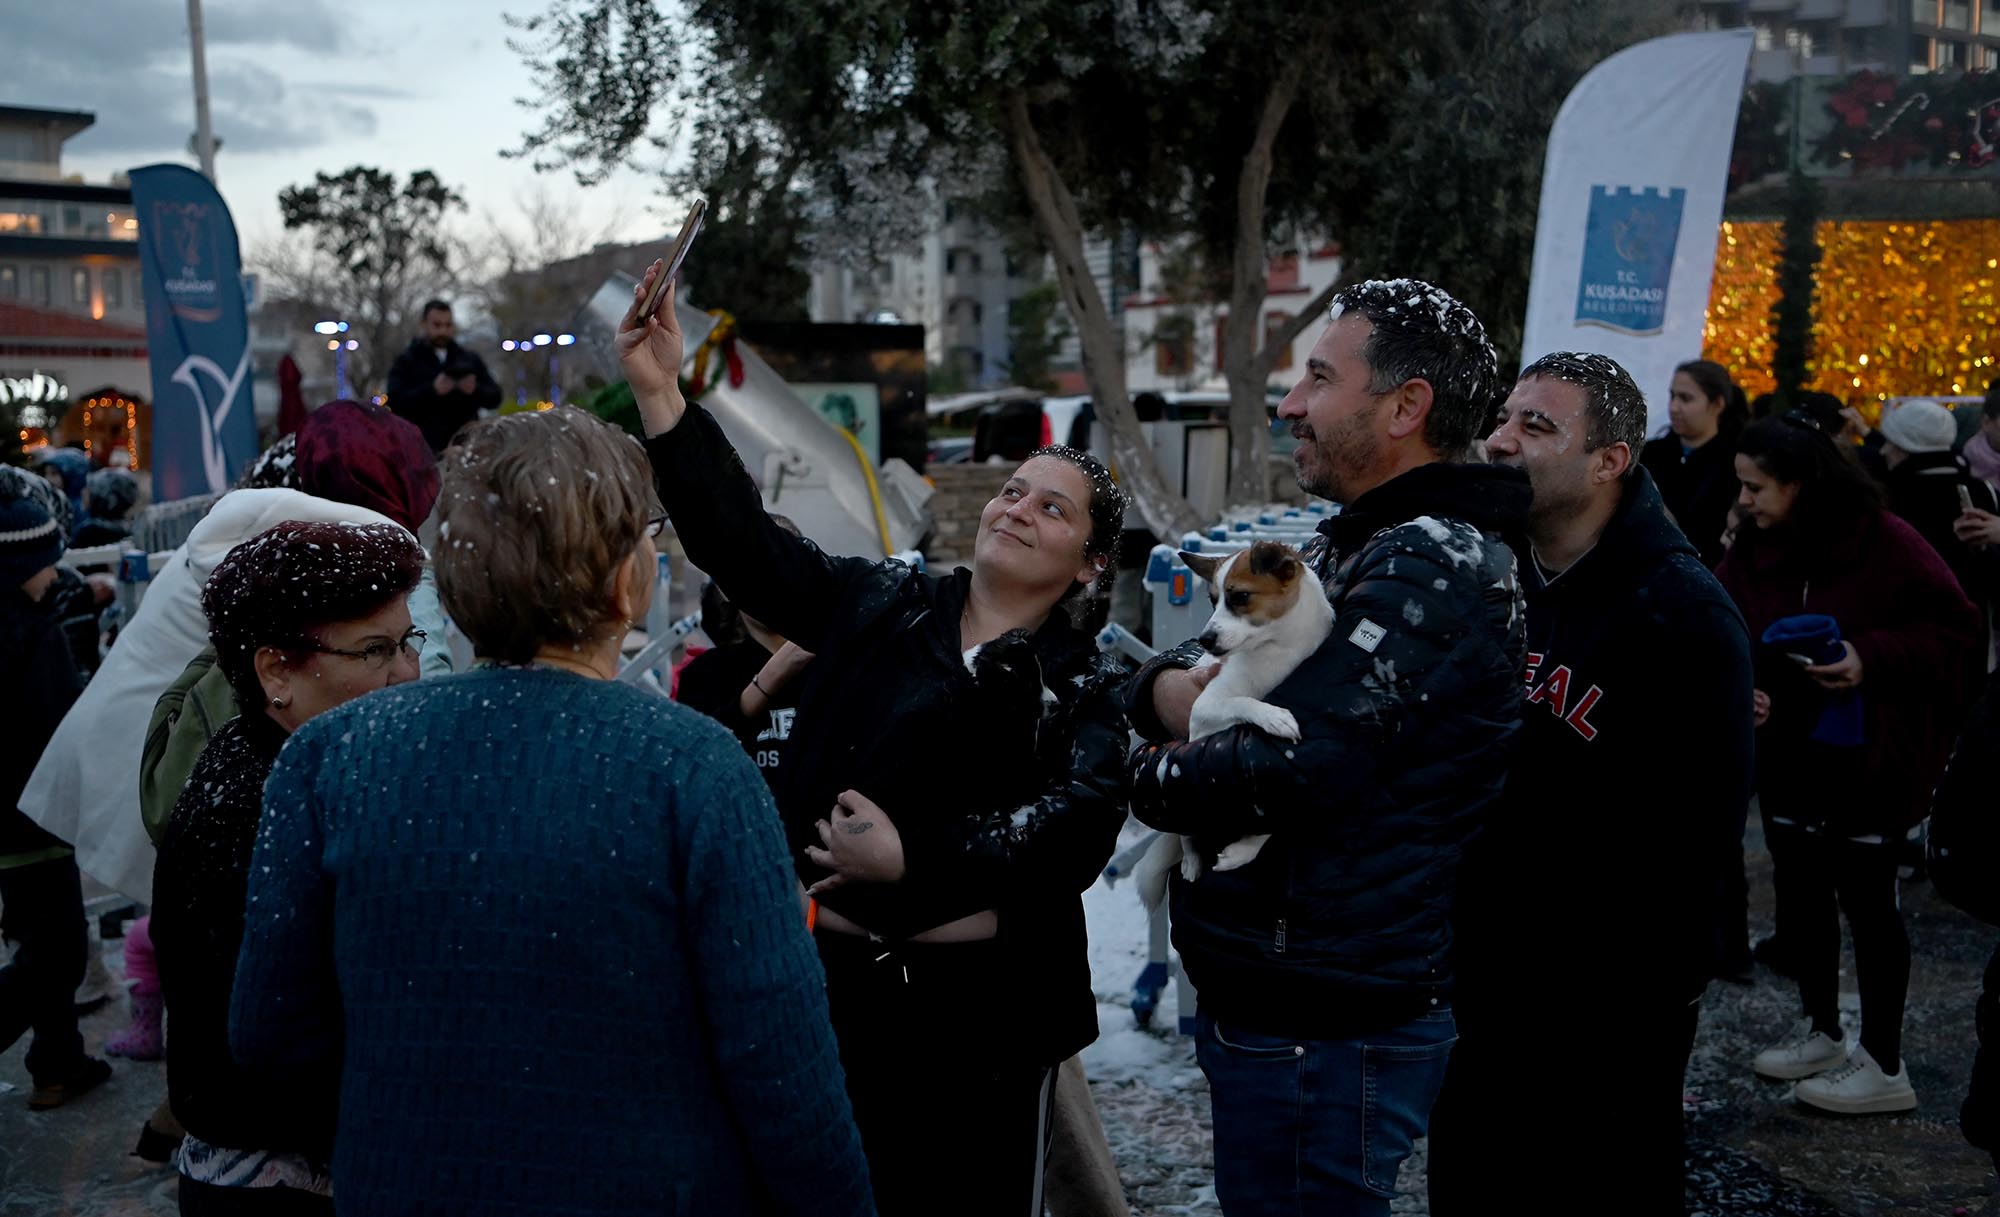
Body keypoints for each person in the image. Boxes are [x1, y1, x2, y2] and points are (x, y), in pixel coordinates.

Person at [229, 407, 873, 1217]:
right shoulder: (697, 771)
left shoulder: (328, 757)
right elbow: (786, 1076)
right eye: (644, 533)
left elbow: (271, 1038)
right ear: (624, 581)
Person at [623, 264, 1132, 1216]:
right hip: (831, 1001)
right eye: (1015, 491)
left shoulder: (1091, 682)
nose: (1017, 508)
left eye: (1051, 507)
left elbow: (1076, 831)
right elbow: (747, 548)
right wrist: (663, 394)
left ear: (1091, 564)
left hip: (986, 1033)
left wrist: (912, 857)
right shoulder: (881, 600)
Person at [1121, 278, 1527, 1216]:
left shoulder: (1430, 558)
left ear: (1404, 407)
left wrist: (1143, 771)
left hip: (1326, 1024)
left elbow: (1295, 766)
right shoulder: (1363, 541)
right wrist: (1159, 691)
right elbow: (1201, 658)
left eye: (1315, 378)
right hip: (1290, 1005)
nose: (1290, 404)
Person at [1428, 353, 1754, 1214]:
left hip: (1609, 1006)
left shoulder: (1683, 613)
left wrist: (1656, 989)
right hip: (1484, 978)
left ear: (1610, 460)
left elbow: (1700, 838)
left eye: (1536, 426)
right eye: (1505, 419)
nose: (1500, 441)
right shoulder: (1491, 577)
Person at [19, 400, 445, 905]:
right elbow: (429, 669)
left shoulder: (280, 519)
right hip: (175, 755)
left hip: (152, 736)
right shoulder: (327, 540)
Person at [153, 520, 426, 1214]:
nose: (406, 673)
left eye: (408, 642)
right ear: (275, 671)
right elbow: (281, 1047)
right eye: (374, 651)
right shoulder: (250, 816)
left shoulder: (302, 769)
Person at [1718, 414, 1982, 1114]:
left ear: (1800, 484)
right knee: (1801, 892)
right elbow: (1718, 621)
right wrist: (1743, 681)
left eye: (1756, 486)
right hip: (1789, 755)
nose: (1744, 500)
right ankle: (1824, 1030)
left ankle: (1885, 1062)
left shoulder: (1887, 541)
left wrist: (1871, 655)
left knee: (1868, 900)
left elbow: (1955, 628)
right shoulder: (1751, 544)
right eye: (1741, 486)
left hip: (1873, 757)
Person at [0, 477, 110, 1110]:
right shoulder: (32, 634)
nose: (54, 574)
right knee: (59, 954)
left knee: (38, 940)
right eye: (45, 562)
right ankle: (53, 1059)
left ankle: (58, 1063)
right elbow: (57, 724)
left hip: (11, 823)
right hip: (35, 818)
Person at [674, 517, 814, 784]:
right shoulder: (705, 675)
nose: (769, 580)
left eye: (782, 563)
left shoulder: (844, 664)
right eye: (751, 567)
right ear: (726, 587)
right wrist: (767, 682)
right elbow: (692, 763)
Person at [1875, 397, 1998, 674]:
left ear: (1905, 448)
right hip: (1973, 639)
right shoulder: (1982, 492)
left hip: (1904, 641)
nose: (1884, 451)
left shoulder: (1886, 498)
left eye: (1892, 443)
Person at [1639, 358, 1747, 568]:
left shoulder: (1735, 465)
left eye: (1686, 399)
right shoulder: (1651, 454)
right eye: (1672, 396)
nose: (1674, 407)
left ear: (1717, 403)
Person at [384, 298, 502, 454]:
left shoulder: (468, 358)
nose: (443, 331)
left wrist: (474, 389)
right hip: (423, 451)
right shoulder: (407, 360)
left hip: (466, 449)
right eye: (437, 325)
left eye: (448, 325)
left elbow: (495, 397)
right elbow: (395, 401)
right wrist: (432, 390)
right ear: (424, 324)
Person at [73, 467, 141, 550]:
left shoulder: (90, 531)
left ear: (101, 494)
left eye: (89, 489)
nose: (83, 492)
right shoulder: (128, 527)